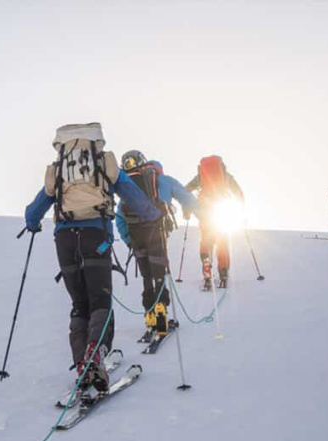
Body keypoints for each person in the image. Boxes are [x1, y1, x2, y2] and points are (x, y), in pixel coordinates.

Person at [24, 123, 162, 392]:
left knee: (79, 303)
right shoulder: (105, 164)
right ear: (96, 142)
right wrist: (152, 215)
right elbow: (132, 195)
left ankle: (82, 364)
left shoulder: (61, 169)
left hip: (64, 240)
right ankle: (95, 354)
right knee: (101, 301)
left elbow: (36, 208)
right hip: (96, 237)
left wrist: (32, 223)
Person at [115, 151, 199, 338]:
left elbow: (119, 218)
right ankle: (161, 308)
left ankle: (149, 314)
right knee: (159, 272)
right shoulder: (161, 179)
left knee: (146, 275)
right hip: (157, 232)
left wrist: (129, 240)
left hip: (136, 236)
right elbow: (186, 197)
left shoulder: (127, 186)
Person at [184, 155, 244, 289]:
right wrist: (241, 208)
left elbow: (186, 190)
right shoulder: (225, 175)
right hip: (222, 207)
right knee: (222, 240)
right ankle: (223, 272)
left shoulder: (201, 175)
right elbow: (238, 192)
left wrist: (186, 210)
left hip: (204, 209)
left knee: (206, 239)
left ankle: (206, 264)